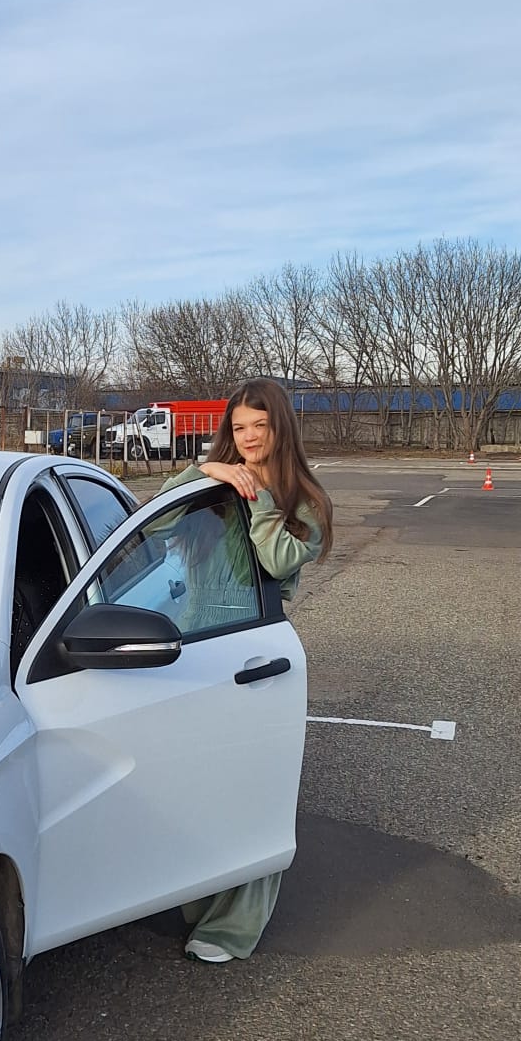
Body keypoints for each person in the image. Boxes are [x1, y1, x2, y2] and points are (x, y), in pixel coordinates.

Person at [158, 378, 334, 964]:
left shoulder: (304, 500)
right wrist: (203, 473)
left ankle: (235, 927)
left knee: (252, 789)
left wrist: (255, 496)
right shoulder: (213, 485)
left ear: (280, 427)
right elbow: (151, 526)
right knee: (196, 779)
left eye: (260, 425)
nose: (250, 437)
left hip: (253, 651)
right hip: (191, 644)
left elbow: (278, 559)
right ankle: (198, 896)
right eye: (239, 428)